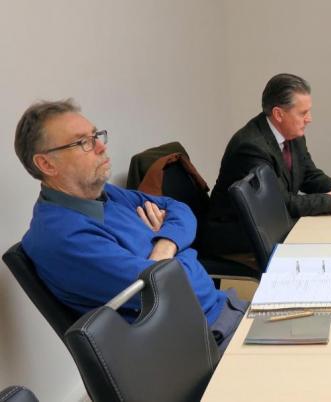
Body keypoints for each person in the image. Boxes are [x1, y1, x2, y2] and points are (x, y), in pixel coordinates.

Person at [14, 99, 245, 350]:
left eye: (96, 135)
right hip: (199, 345)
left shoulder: (108, 195)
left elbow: (181, 210)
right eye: (83, 142)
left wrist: (164, 244)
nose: (101, 147)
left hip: (223, 310)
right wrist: (182, 248)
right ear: (46, 164)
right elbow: (177, 286)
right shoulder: (60, 237)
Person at [203, 73, 331, 254]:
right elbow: (279, 203)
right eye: (303, 113)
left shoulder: (292, 134)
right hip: (237, 230)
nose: (309, 119)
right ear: (279, 114)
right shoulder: (250, 147)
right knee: (322, 242)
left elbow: (309, 174)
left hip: (271, 219)